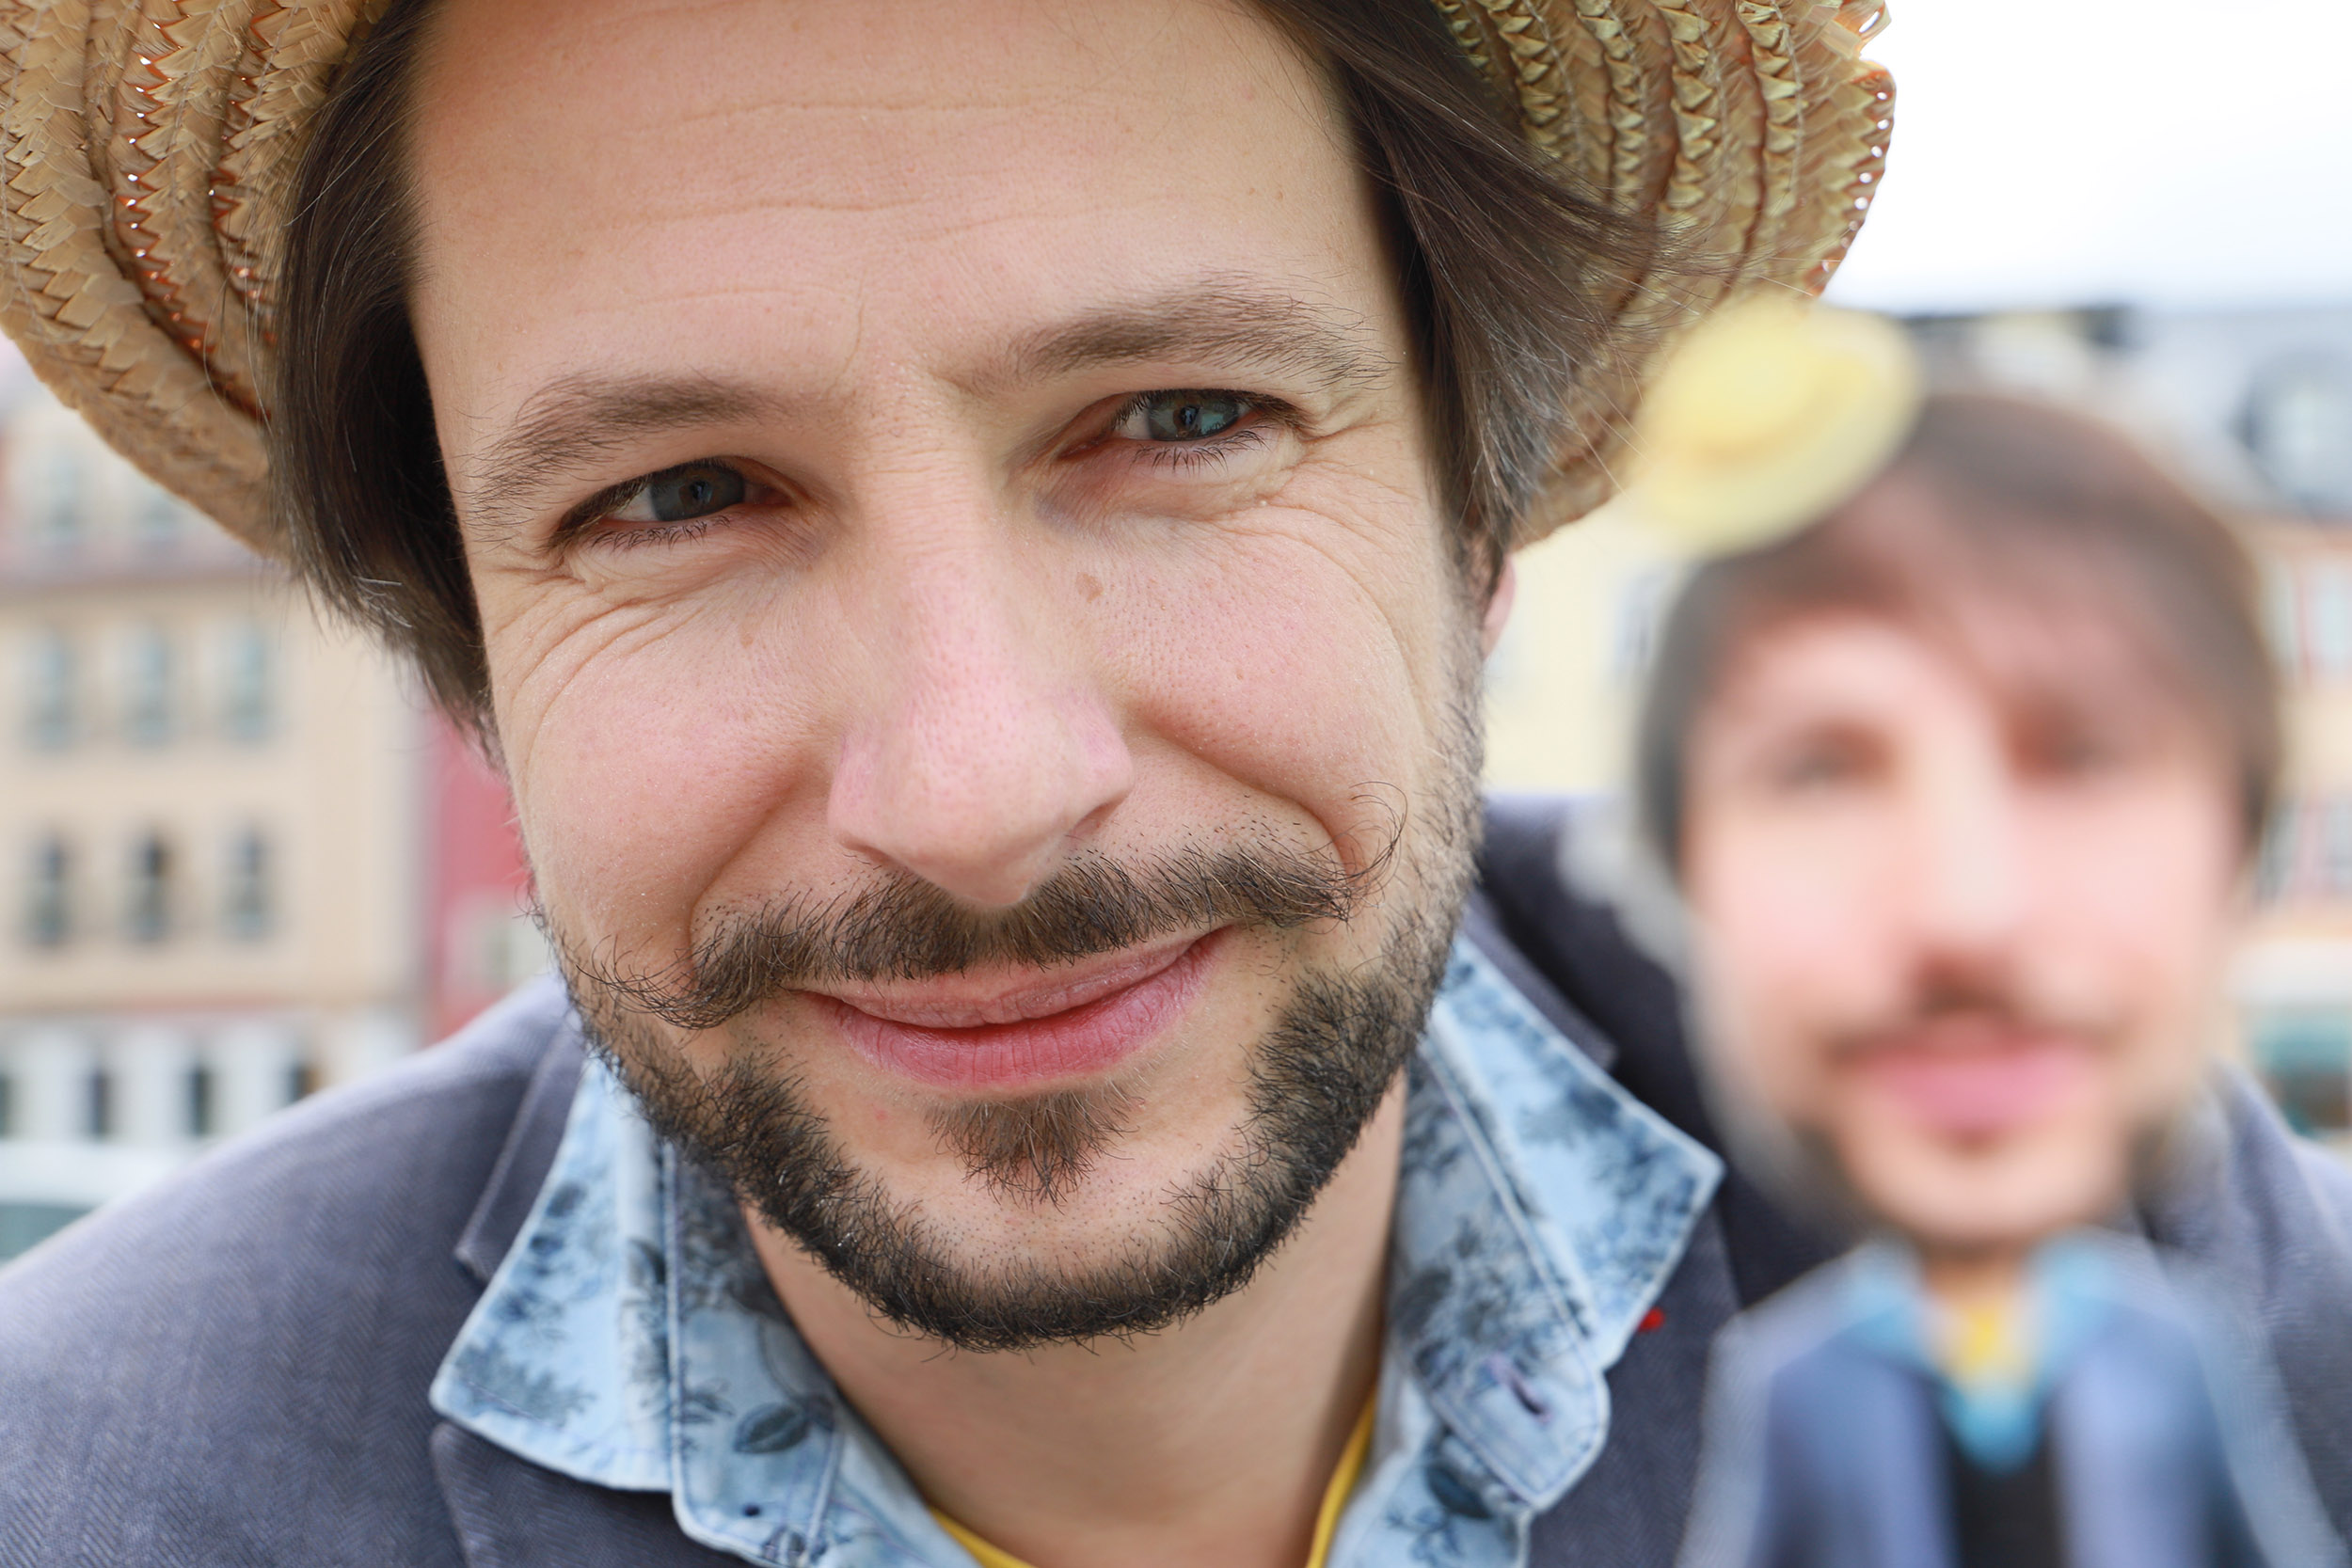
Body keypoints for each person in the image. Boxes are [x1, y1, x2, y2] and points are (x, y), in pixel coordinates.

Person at [0, 4, 2311, 1567]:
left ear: (1474, 528)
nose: (976, 788)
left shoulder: (2125, 1248)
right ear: (477, 668)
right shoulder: (92, 1491)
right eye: (680, 495)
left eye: (1181, 422)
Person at [1609, 303, 2352, 1567]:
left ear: (2244, 846)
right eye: (1820, 772)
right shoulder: (1798, 1384)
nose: (1967, 912)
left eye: (2084, 757)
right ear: (1681, 874)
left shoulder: (2181, 1357)